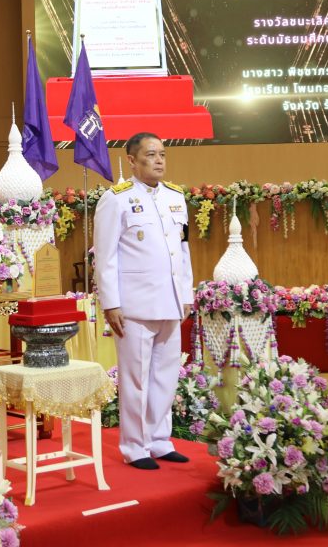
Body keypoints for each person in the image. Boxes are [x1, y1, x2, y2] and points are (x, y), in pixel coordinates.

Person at [93, 132, 194, 469]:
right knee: (135, 378)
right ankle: (135, 446)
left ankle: (160, 440)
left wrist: (186, 293)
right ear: (132, 160)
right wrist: (111, 303)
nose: (159, 160)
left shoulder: (176, 197)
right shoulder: (116, 199)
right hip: (134, 306)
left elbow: (182, 250)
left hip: (170, 301)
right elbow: (105, 256)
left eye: (162, 154)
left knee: (166, 376)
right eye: (151, 155)